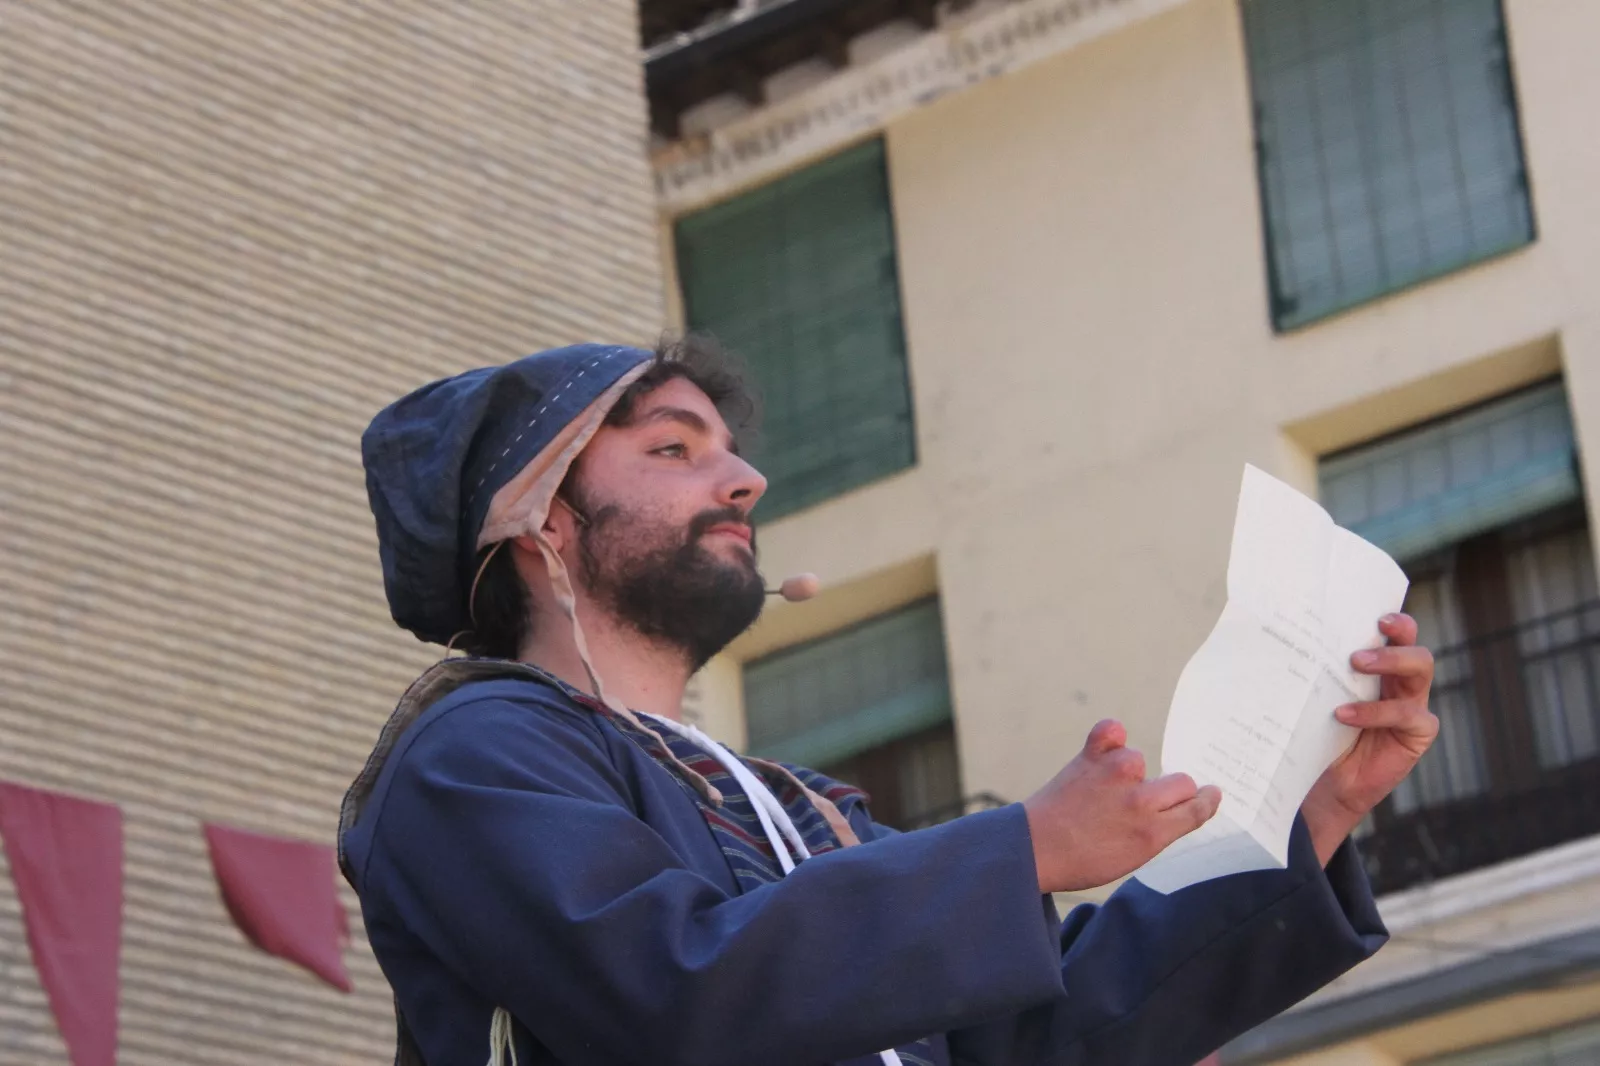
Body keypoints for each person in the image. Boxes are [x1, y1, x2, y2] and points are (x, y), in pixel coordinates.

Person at [338, 337, 1438, 1066]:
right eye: (672, 448)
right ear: (539, 524)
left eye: (729, 451)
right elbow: (668, 994)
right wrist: (1021, 853)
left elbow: (1039, 1041)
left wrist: (1313, 808)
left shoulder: (806, 809)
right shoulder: (470, 754)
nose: (745, 480)